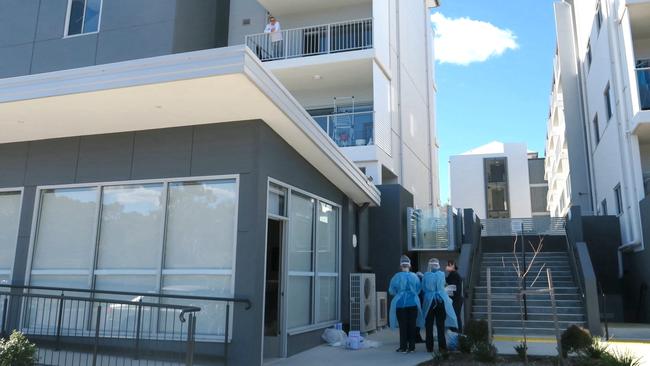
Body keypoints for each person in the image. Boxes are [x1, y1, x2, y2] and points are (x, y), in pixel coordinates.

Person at [421, 258, 457, 353]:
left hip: (429, 301)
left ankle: (429, 347)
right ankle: (442, 347)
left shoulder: (426, 275)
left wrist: (430, 292)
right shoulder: (441, 274)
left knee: (429, 325)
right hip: (441, 301)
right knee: (440, 325)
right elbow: (443, 285)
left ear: (429, 266)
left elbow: (423, 288)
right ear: (438, 265)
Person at [388, 255, 422, 353]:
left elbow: (391, 290)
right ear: (410, 265)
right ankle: (412, 347)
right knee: (412, 325)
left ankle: (403, 347)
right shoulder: (414, 276)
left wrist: (399, 293)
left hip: (400, 304)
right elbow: (418, 289)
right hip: (413, 303)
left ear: (400, 266)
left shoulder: (396, 277)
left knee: (403, 326)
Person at [445, 260, 464, 333]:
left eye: (449, 265)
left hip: (456, 299)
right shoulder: (454, 274)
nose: (447, 267)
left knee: (455, 316)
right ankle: (458, 332)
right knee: (456, 316)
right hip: (457, 299)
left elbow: (452, 287)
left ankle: (457, 332)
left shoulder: (454, 274)